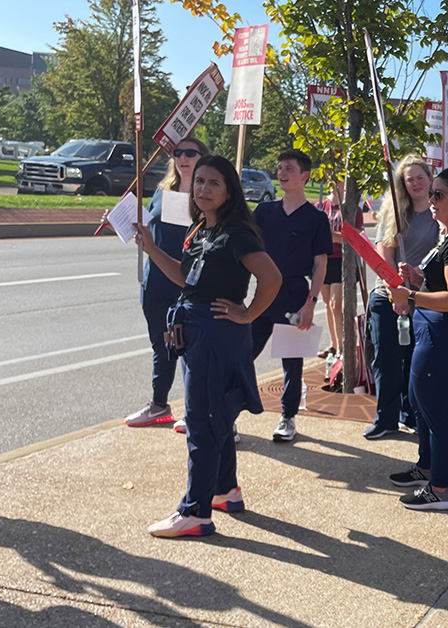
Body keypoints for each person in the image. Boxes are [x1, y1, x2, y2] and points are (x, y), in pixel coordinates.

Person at [134, 155, 282, 537]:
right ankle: (224, 490)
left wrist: (248, 313)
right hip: (197, 333)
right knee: (216, 416)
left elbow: (272, 277)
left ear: (229, 189)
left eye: (213, 183)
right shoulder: (202, 228)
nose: (203, 189)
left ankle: (195, 511)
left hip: (217, 335)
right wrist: (150, 247)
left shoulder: (237, 232)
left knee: (201, 422)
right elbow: (187, 278)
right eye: (199, 182)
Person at [384, 156, 448, 510]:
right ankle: (427, 467)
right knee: (420, 405)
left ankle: (440, 489)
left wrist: (410, 294)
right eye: (433, 193)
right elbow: (441, 282)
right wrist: (416, 276)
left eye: (439, 194)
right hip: (433, 332)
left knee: (436, 413)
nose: (432, 200)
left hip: (447, 337)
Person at [125, 137, 208, 430]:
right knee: (161, 346)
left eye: (190, 153)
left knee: (189, 349)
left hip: (187, 283)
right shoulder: (162, 193)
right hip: (155, 282)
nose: (183, 157)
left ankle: (195, 409)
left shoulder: (206, 197)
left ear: (202, 158)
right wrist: (127, 226)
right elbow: (148, 227)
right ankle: (159, 405)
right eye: (177, 152)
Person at [249, 150, 332, 443]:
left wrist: (311, 302)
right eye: (280, 168)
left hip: (295, 295)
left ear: (304, 175)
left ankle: (288, 417)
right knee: (242, 355)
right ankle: (229, 413)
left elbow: (321, 263)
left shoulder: (316, 218)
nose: (282, 173)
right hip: (263, 294)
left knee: (291, 364)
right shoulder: (263, 212)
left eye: (289, 169)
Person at [362, 156, 440, 440]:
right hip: (389, 293)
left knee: (415, 360)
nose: (416, 183)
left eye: (420, 177)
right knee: (386, 357)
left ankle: (412, 414)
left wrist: (412, 291)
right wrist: (396, 292)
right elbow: (385, 254)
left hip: (423, 296)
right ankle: (385, 417)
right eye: (410, 179)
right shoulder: (394, 213)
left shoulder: (438, 214)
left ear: (430, 178)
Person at [317, 178, 362, 360]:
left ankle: (344, 347)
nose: (334, 184)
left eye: (339, 181)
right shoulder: (321, 206)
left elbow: (354, 238)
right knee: (328, 304)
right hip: (323, 260)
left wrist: (331, 236)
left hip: (342, 260)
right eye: (331, 180)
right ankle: (334, 345)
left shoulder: (352, 210)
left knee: (337, 305)